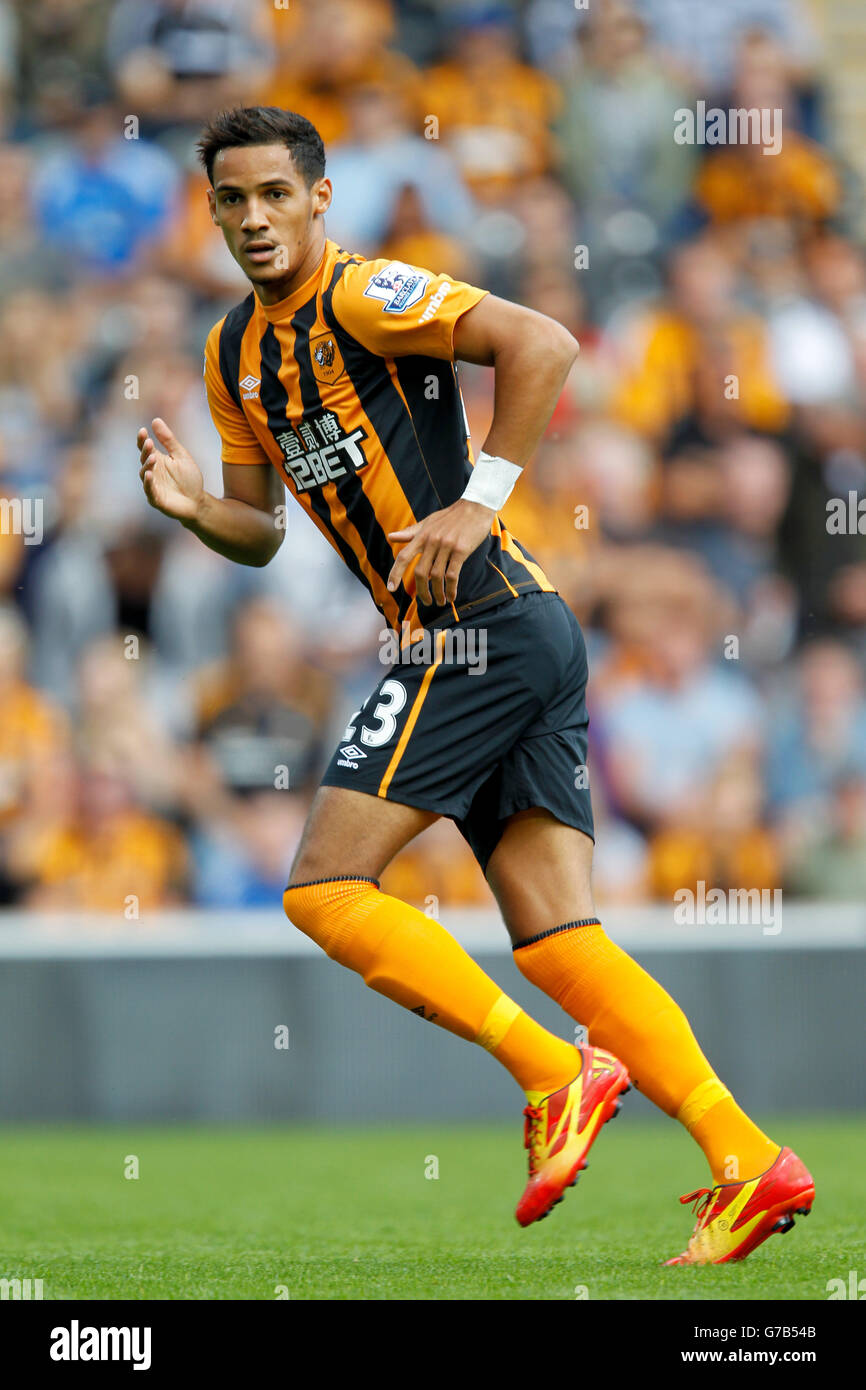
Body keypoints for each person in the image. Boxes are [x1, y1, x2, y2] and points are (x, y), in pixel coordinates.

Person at [137, 105, 813, 1261]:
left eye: (273, 196)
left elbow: (542, 340)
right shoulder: (229, 355)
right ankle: (747, 1159)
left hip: (478, 627)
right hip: (509, 630)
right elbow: (258, 528)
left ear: (318, 199)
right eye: (230, 200)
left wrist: (478, 498)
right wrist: (200, 510)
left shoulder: (364, 297)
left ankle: (555, 1071)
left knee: (323, 890)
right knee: (555, 942)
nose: (252, 218)